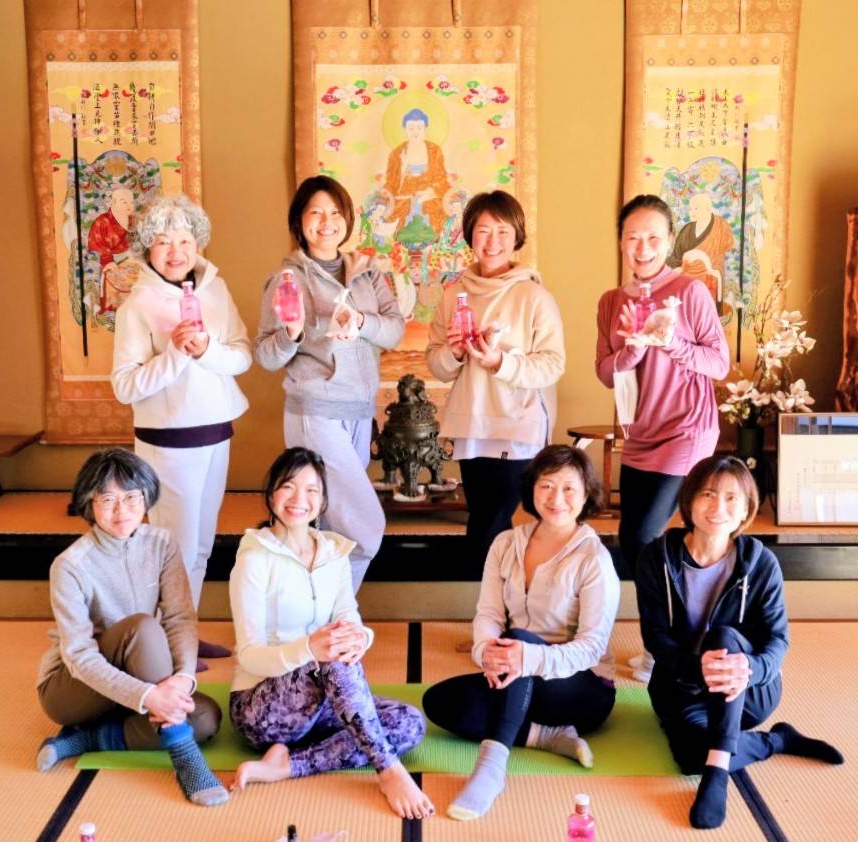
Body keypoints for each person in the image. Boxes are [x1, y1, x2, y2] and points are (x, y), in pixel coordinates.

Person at [227, 448, 433, 820]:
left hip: (320, 703)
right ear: (271, 494)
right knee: (331, 657)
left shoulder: (333, 552)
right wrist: (309, 649)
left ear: (322, 501)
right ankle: (389, 771)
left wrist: (361, 638)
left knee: (409, 723)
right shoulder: (254, 558)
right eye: (289, 487)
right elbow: (248, 655)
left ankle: (287, 765)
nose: (299, 499)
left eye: (312, 490)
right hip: (262, 708)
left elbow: (348, 617)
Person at [637, 455, 843, 829]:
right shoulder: (657, 558)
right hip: (683, 687)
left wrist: (749, 667)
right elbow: (655, 637)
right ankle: (776, 742)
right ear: (689, 499)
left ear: (747, 508)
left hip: (750, 692)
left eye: (732, 498)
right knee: (689, 757)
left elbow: (777, 640)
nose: (719, 507)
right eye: (708, 494)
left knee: (724, 638)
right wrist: (695, 667)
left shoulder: (760, 563)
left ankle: (717, 772)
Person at [422, 445, 619, 821]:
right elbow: (488, 615)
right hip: (517, 678)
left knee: (520, 641)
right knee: (440, 703)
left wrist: (525, 655)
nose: (556, 498)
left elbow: (592, 648)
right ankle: (546, 736)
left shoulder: (593, 558)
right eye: (547, 486)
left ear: (586, 495)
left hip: (581, 689)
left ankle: (491, 769)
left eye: (569, 489)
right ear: (531, 489)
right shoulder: (506, 543)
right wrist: (486, 652)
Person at [34, 448, 228, 807]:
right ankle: (184, 755)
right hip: (72, 688)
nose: (121, 510)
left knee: (205, 719)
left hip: (139, 677)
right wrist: (151, 697)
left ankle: (89, 739)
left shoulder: (162, 544)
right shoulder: (70, 565)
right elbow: (79, 657)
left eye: (131, 497)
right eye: (107, 499)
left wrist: (182, 679)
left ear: (146, 497)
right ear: (88, 503)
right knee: (143, 628)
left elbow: (180, 618)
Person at [596, 194, 730, 680]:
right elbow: (605, 372)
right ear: (621, 242)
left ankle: (667, 649)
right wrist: (632, 351)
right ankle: (674, 640)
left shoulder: (689, 292)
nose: (643, 247)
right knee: (639, 544)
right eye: (633, 237)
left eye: (653, 237)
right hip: (640, 432)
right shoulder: (612, 301)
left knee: (641, 536)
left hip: (687, 429)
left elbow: (719, 363)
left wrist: (671, 342)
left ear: (670, 240)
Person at [111, 194, 249, 663]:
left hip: (216, 432)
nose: (176, 251)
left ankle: (185, 632)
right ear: (146, 248)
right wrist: (174, 354)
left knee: (202, 546)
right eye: (164, 242)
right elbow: (125, 386)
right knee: (174, 549)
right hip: (168, 443)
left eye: (186, 240)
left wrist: (206, 349)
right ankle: (164, 646)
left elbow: (241, 355)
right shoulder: (137, 305)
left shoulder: (216, 290)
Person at [255, 176, 405, 591]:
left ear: (347, 219)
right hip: (315, 411)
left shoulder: (368, 274)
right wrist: (293, 334)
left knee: (328, 525)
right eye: (316, 212)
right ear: (299, 221)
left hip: (358, 412)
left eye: (335, 212)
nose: (326, 222)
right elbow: (265, 355)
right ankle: (339, 616)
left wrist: (361, 322)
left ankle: (315, 615)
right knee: (365, 525)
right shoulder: (287, 280)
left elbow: (394, 330)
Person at [426, 190, 565, 579]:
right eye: (484, 230)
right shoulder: (454, 295)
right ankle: (496, 603)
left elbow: (552, 365)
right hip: (472, 425)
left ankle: (487, 603)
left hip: (516, 426)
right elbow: (436, 365)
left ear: (516, 236)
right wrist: (455, 353)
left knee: (489, 525)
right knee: (486, 521)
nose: (492, 241)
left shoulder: (534, 296)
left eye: (502, 231)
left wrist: (500, 362)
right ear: (470, 234)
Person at [383, 108, 452, 234]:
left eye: (419, 128)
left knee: (441, 223)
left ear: (425, 129)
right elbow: (391, 185)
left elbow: (441, 179)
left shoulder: (434, 151)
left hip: (430, 198)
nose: (415, 132)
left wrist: (431, 191)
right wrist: (403, 169)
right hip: (404, 200)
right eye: (411, 128)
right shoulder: (397, 153)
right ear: (405, 129)